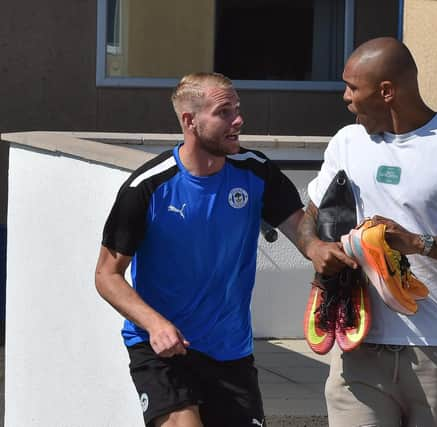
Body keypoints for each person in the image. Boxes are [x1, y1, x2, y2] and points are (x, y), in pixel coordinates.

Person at [298, 37, 437, 427]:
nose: (345, 97)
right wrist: (314, 247)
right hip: (358, 341)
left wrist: (419, 244)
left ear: (386, 92)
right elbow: (309, 216)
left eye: (353, 87)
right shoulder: (348, 142)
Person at [95, 72, 305, 427]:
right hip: (162, 350)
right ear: (190, 121)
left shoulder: (256, 171)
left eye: (238, 109)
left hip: (230, 351)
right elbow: (106, 275)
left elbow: (303, 230)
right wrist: (155, 324)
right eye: (224, 112)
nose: (238, 120)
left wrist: (324, 250)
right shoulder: (146, 188)